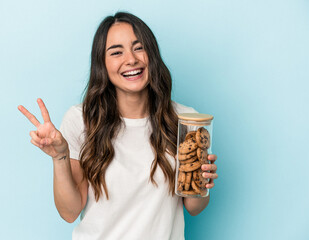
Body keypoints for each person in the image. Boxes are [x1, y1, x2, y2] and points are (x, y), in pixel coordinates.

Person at [18, 12, 218, 240]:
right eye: (116, 52)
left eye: (139, 48)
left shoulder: (185, 119)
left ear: (152, 54)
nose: (131, 59)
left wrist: (202, 182)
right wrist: (60, 157)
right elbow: (69, 212)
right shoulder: (81, 120)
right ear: (102, 64)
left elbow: (194, 207)